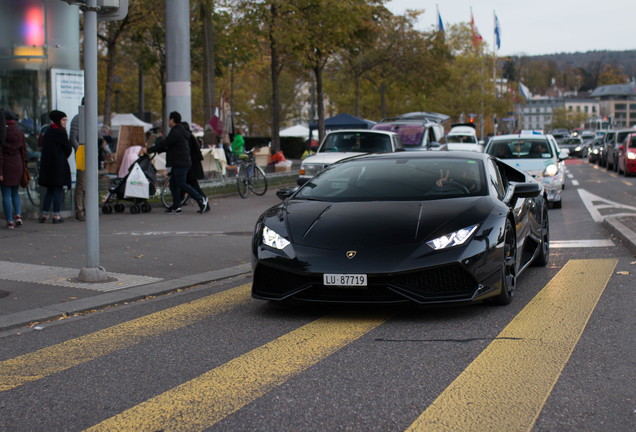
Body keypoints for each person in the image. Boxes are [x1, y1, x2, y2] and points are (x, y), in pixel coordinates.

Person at [144, 111, 208, 214]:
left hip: (180, 162)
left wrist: (149, 150)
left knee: (181, 184)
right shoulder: (180, 131)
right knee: (173, 185)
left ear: (173, 120)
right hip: (180, 161)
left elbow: (165, 143)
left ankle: (200, 199)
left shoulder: (176, 132)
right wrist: (157, 150)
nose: (168, 121)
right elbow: (169, 146)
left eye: (169, 119)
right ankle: (176, 206)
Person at [38, 110, 72, 223]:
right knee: (58, 190)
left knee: (50, 190)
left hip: (48, 167)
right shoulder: (61, 133)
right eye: (63, 120)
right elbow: (68, 149)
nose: (65, 122)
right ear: (58, 120)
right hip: (59, 166)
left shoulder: (48, 132)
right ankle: (56, 215)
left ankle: (44, 213)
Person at [0, 110, 27, 229]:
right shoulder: (19, 131)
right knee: (15, 192)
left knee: (6, 194)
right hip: (17, 164)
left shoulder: (2, 132)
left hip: (5, 165)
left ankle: (9, 221)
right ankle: (18, 215)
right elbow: (24, 150)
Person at [182, 122, 210, 213]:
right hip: (194, 166)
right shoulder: (191, 137)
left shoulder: (188, 138)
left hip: (192, 167)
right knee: (189, 185)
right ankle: (179, 201)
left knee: (193, 186)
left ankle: (203, 201)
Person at [70, 99, 86, 221]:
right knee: (81, 183)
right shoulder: (78, 118)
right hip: (82, 153)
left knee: (88, 183)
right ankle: (79, 210)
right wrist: (79, 150)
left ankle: (86, 208)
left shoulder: (90, 118)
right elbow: (73, 137)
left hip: (89, 154)